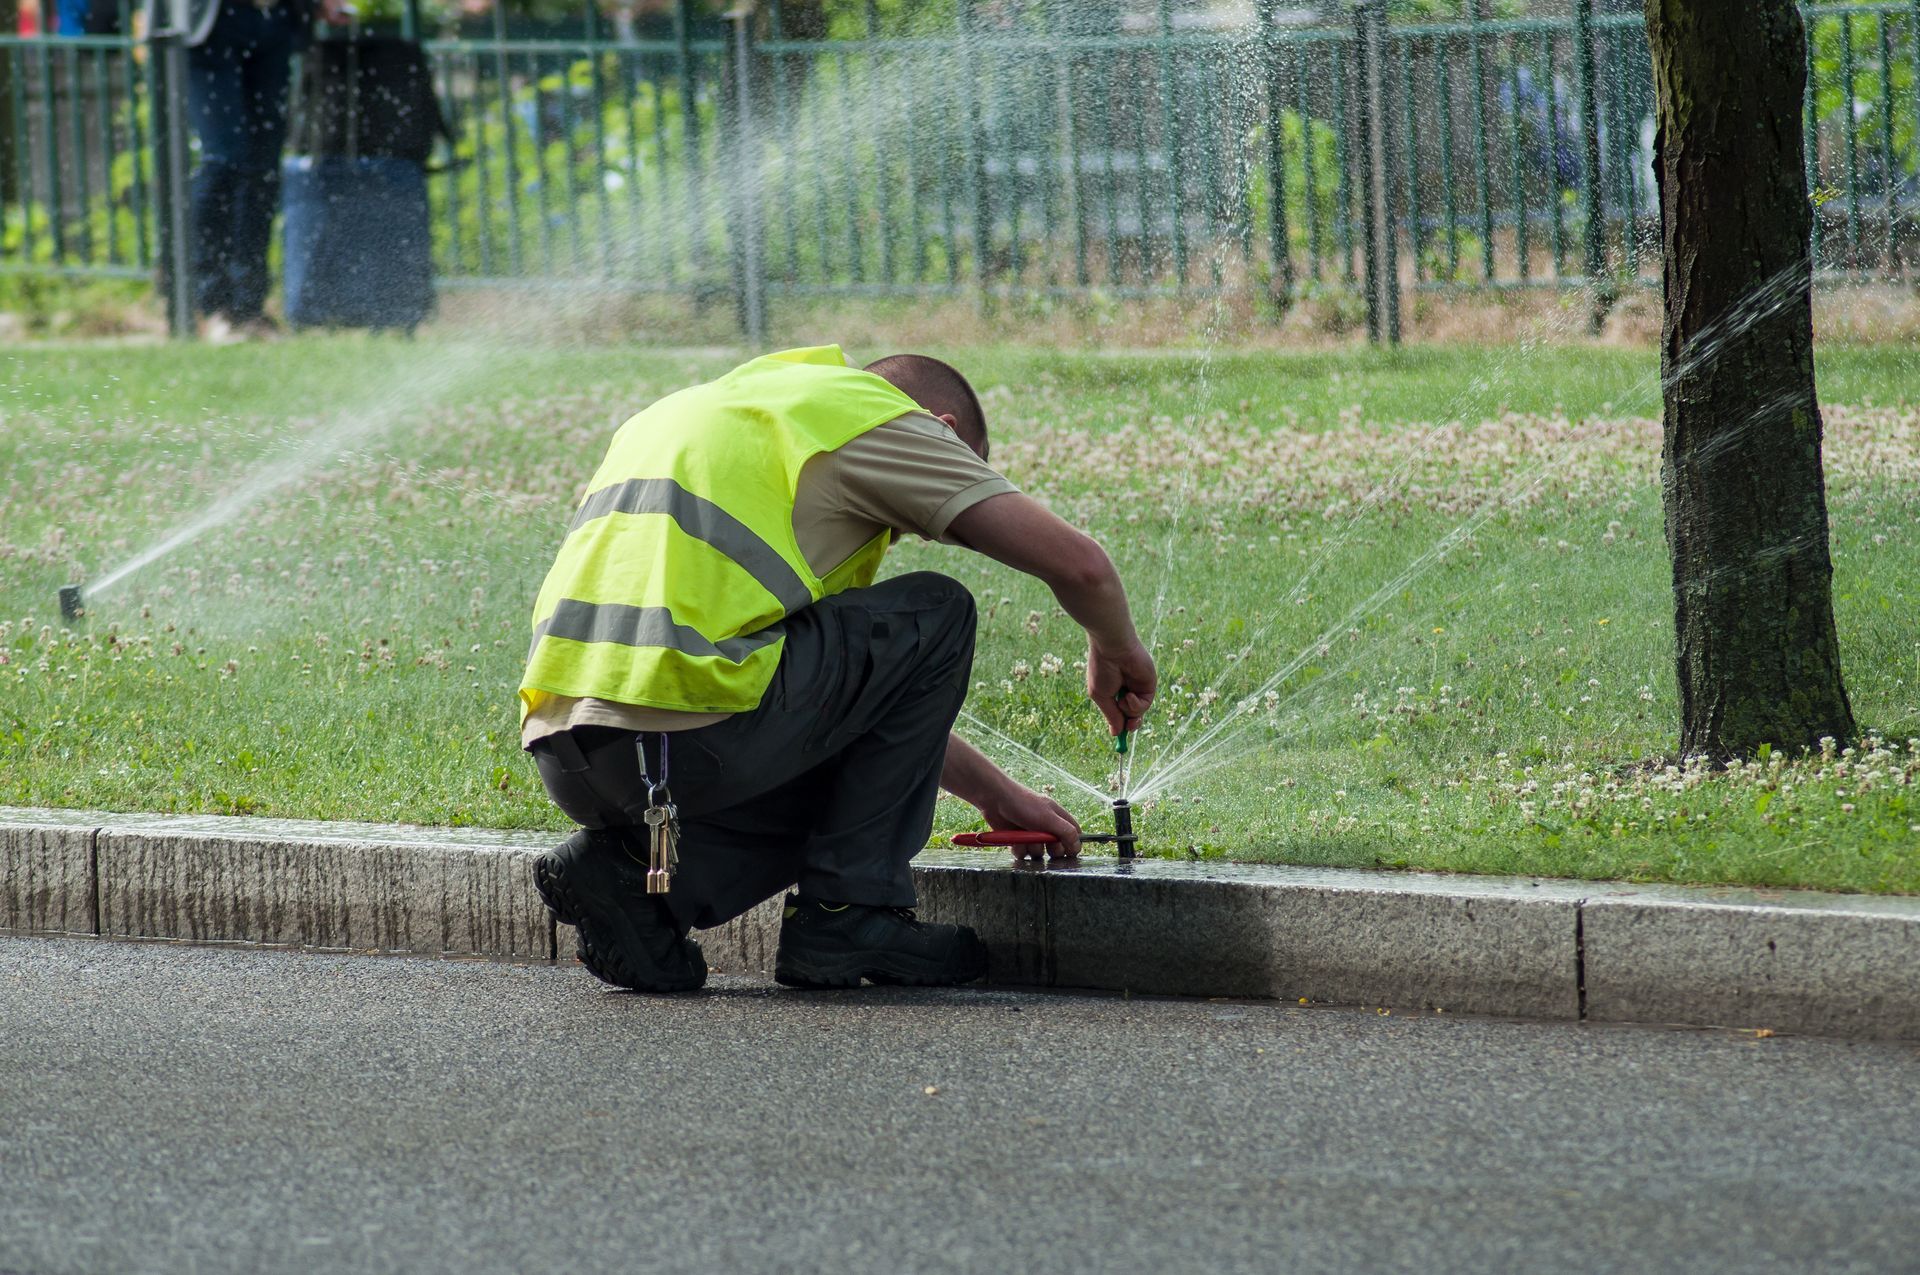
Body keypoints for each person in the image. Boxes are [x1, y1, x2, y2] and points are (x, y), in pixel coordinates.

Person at [519, 346, 1157, 993]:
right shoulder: (870, 419)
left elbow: (849, 714)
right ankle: (849, 912)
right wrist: (1118, 650)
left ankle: (636, 882)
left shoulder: (731, 411)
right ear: (946, 433)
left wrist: (997, 794)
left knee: (845, 751)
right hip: (694, 733)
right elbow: (1082, 566)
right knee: (939, 610)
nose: (906, 533)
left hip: (570, 750)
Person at [144, 0, 344, 340]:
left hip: (275, 17)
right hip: (211, 21)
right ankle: (205, 296)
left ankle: (248, 306)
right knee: (224, 161)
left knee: (262, 170)